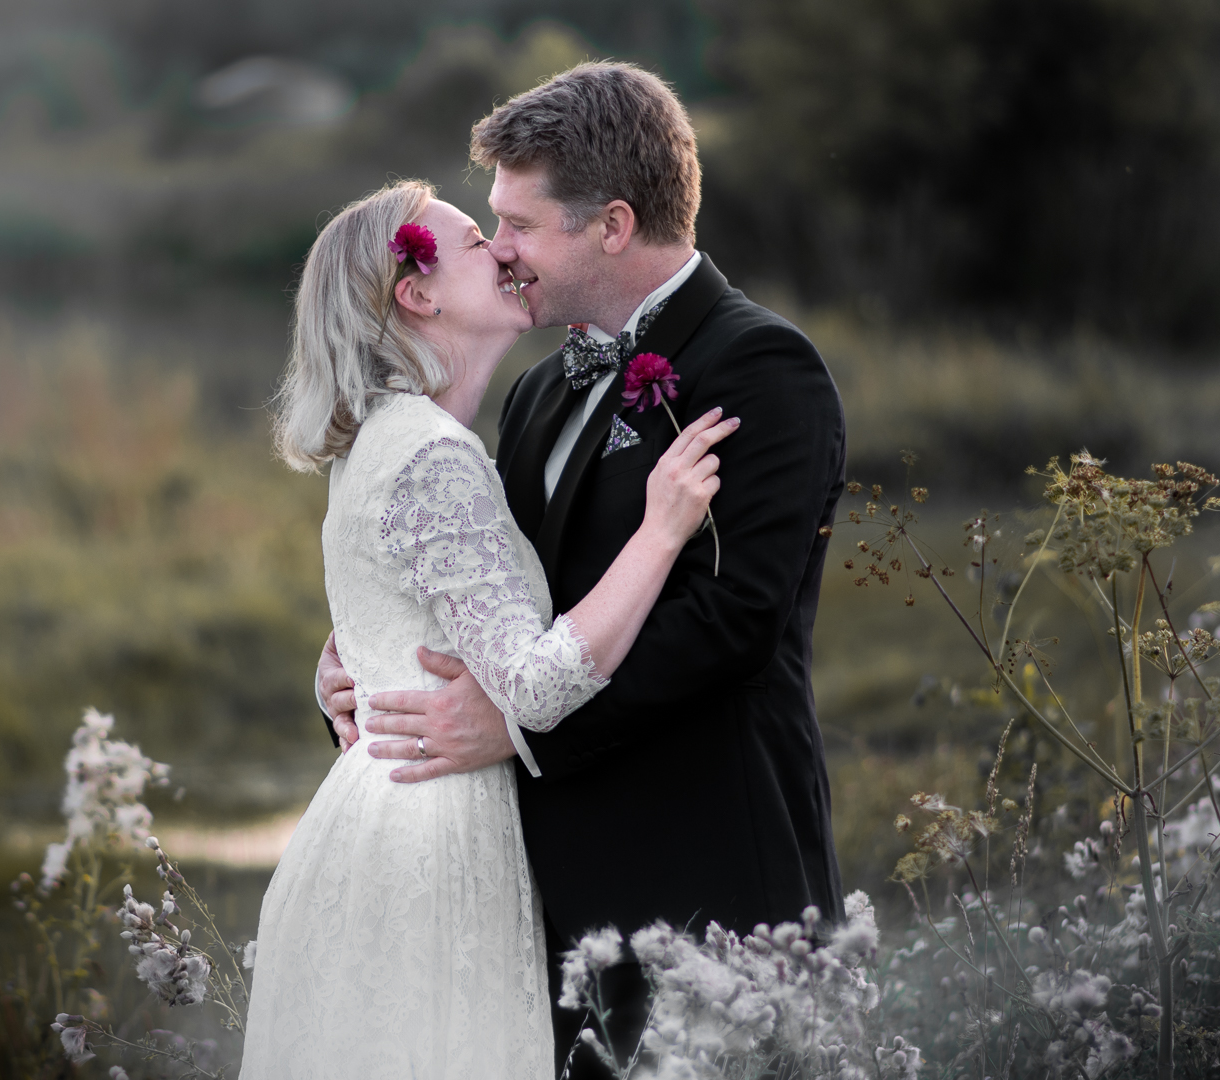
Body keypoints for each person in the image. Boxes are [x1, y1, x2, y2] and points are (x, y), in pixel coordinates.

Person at [318, 62, 848, 1077]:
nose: (499, 247)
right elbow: (488, 600)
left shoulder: (762, 368)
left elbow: (735, 619)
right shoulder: (538, 394)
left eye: (517, 223)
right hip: (553, 914)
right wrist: (368, 665)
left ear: (611, 226)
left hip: (709, 879)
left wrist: (519, 728)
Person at [238, 178, 736, 1079]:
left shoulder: (384, 439)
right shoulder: (431, 453)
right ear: (417, 294)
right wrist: (662, 531)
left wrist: (342, 672)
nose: (503, 250)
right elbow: (535, 688)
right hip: (434, 838)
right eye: (477, 240)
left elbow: (392, 618)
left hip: (376, 823)